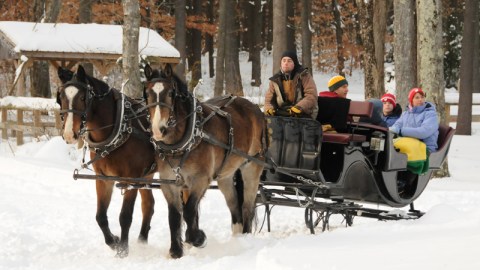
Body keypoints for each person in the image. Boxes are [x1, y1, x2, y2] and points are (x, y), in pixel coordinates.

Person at [264, 51, 318, 119]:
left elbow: (311, 95)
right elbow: (268, 100)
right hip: (282, 114)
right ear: (281, 63)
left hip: (303, 113)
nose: (286, 63)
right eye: (284, 61)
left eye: (289, 61)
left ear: (294, 63)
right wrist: (269, 109)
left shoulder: (304, 76)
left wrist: (299, 107)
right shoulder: (275, 80)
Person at [390, 87, 439, 153]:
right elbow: (397, 125)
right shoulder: (406, 114)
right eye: (417, 98)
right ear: (411, 100)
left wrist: (401, 131)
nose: (420, 100)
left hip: (425, 149)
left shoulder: (430, 113)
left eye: (422, 97)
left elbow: (424, 132)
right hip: (408, 146)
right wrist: (392, 129)